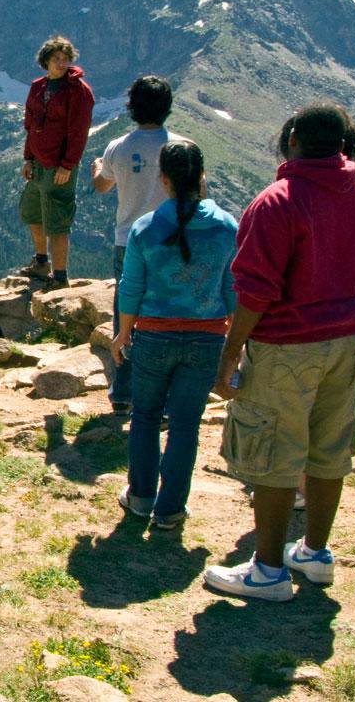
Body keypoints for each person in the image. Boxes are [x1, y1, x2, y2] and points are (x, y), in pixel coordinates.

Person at [203, 104, 355, 602]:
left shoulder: (277, 202)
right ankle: (315, 553)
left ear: (293, 138)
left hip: (287, 345)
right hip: (347, 338)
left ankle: (268, 570)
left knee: (274, 454)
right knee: (329, 448)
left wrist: (231, 352)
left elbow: (255, 290)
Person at [112, 141, 238, 530]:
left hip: (152, 337)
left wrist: (123, 333)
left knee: (146, 417)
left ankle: (141, 496)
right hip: (207, 338)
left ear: (163, 179)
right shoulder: (227, 226)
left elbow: (131, 286)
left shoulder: (146, 228)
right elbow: (233, 286)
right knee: (186, 423)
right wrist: (235, 336)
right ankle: (170, 510)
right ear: (202, 178)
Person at [92, 75, 190, 412]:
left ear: (132, 107)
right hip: (173, 239)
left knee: (127, 313)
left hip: (128, 239)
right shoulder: (183, 147)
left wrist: (97, 169)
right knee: (168, 311)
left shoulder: (118, 147)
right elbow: (199, 195)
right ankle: (162, 397)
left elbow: (102, 186)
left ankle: (124, 392)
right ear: (168, 107)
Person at [20, 35, 95, 290]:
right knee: (33, 212)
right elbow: (31, 126)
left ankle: (60, 277)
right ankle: (41, 262)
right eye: (56, 59)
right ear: (46, 62)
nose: (62, 64)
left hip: (59, 166)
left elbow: (78, 131)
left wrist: (68, 165)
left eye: (66, 59)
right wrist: (28, 158)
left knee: (58, 220)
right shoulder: (38, 87)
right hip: (39, 163)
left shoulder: (77, 90)